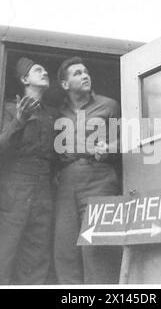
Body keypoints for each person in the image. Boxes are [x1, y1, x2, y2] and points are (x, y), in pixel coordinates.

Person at [0, 57, 58, 285]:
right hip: (16, 186)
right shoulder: (9, 108)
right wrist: (20, 119)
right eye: (39, 69)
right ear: (24, 79)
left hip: (44, 187)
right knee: (5, 251)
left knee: (37, 254)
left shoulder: (52, 114)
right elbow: (1, 146)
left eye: (45, 68)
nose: (45, 71)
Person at [54, 56, 122, 284]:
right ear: (65, 85)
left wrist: (109, 149)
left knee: (96, 249)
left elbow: (128, 143)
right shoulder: (58, 112)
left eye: (86, 71)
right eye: (77, 73)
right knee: (65, 251)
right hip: (67, 180)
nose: (85, 75)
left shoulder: (109, 105)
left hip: (99, 178)